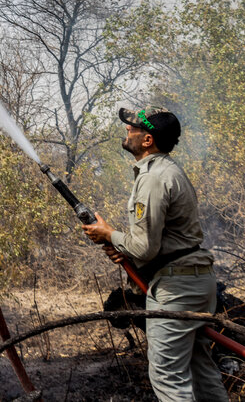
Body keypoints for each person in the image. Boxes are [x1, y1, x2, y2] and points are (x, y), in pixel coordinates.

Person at [82, 106, 229, 402]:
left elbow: (143, 248)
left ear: (147, 140)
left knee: (167, 375)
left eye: (132, 128)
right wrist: (120, 244)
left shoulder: (153, 178)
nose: (127, 130)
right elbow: (154, 245)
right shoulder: (170, 170)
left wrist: (109, 235)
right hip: (197, 283)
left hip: (176, 290)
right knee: (201, 370)